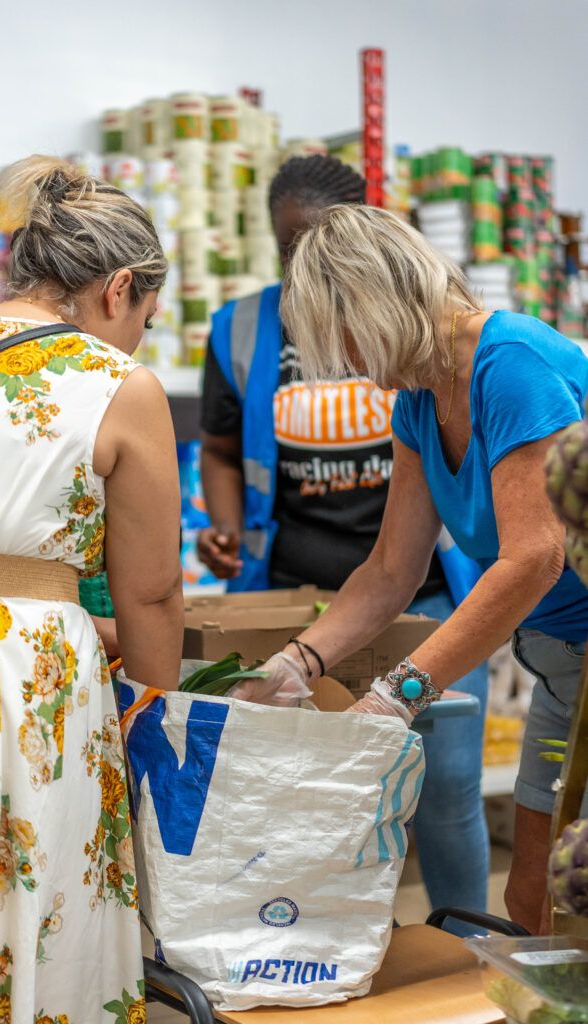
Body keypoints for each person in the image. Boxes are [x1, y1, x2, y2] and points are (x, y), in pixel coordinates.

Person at [259, 202, 588, 934]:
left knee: (570, 904)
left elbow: (534, 558)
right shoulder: (419, 399)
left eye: (337, 336)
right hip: (565, 663)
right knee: (530, 899)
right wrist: (294, 662)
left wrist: (395, 694)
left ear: (371, 302)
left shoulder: (511, 366)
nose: (342, 362)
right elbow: (388, 571)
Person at [0, 156, 183, 1022]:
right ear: (120, 289)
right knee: (24, 892)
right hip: (18, 689)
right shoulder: (118, 386)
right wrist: (154, 708)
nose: (137, 337)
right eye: (144, 316)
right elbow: (150, 595)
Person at [197, 155, 490, 927]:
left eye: (315, 246)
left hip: (435, 596)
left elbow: (515, 558)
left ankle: (465, 953)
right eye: (286, 246)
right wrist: (295, 653)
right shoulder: (247, 329)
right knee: (309, 792)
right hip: (305, 585)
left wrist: (398, 689)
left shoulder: (474, 358)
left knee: (448, 786)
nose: (300, 265)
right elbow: (224, 450)